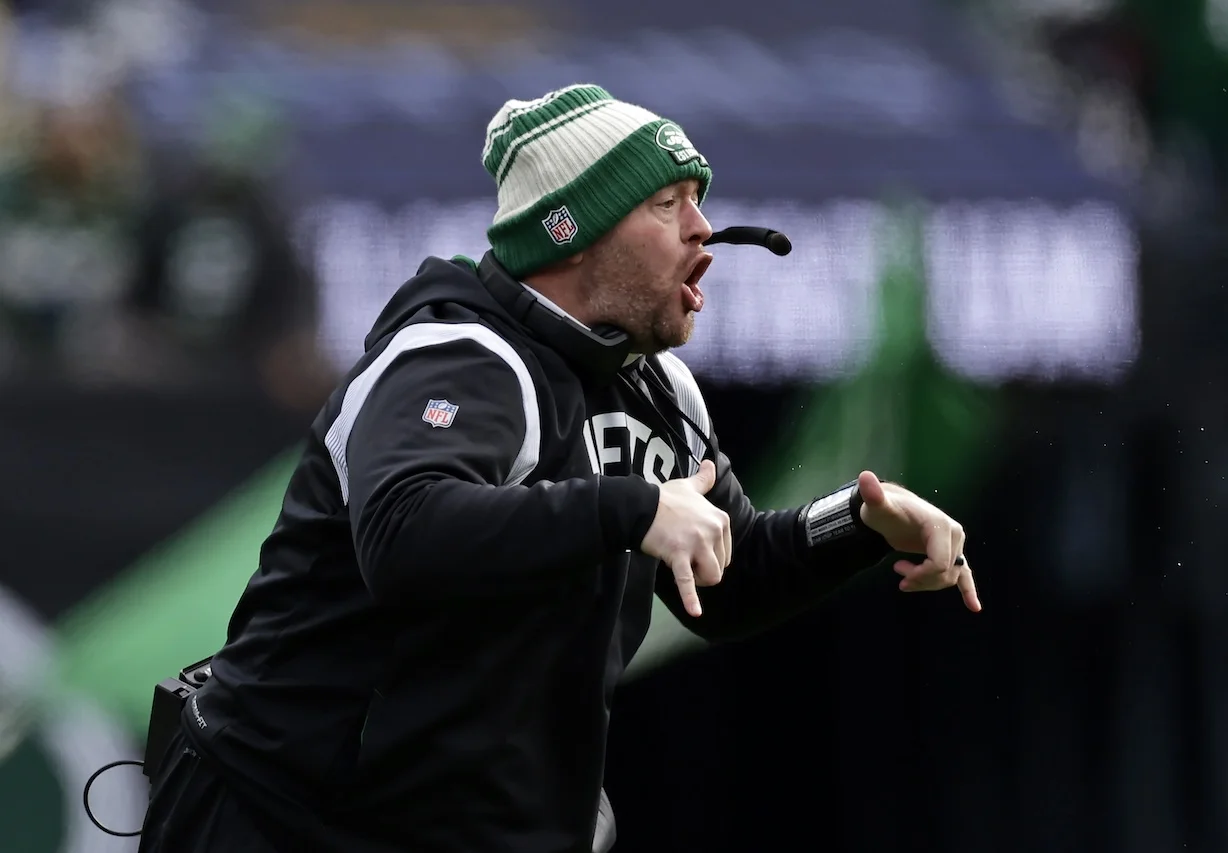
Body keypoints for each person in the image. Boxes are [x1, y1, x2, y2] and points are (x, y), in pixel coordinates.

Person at [137, 84, 981, 853]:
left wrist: (858, 522)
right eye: (667, 203)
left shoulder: (658, 388)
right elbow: (404, 532)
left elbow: (728, 578)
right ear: (572, 233)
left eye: (698, 201)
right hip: (290, 819)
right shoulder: (459, 356)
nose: (702, 228)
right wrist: (631, 507)